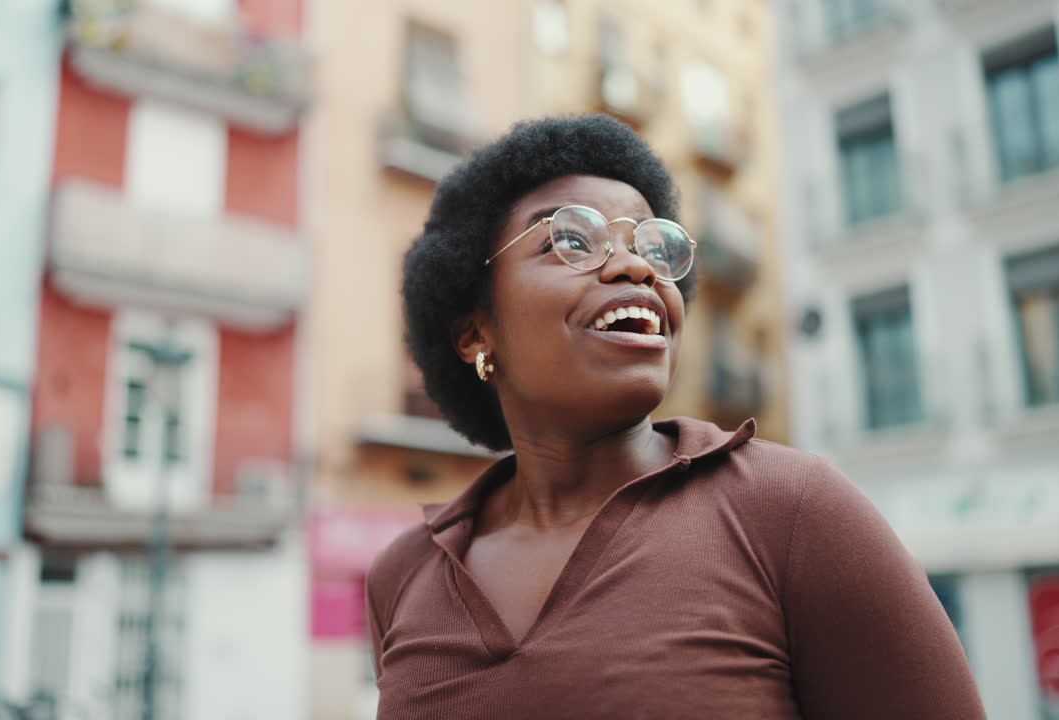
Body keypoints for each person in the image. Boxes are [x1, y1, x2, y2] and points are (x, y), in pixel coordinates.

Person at [366, 114, 985, 719]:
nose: (635, 266)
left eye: (653, 247)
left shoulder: (791, 511)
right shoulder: (406, 575)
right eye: (572, 240)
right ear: (475, 333)